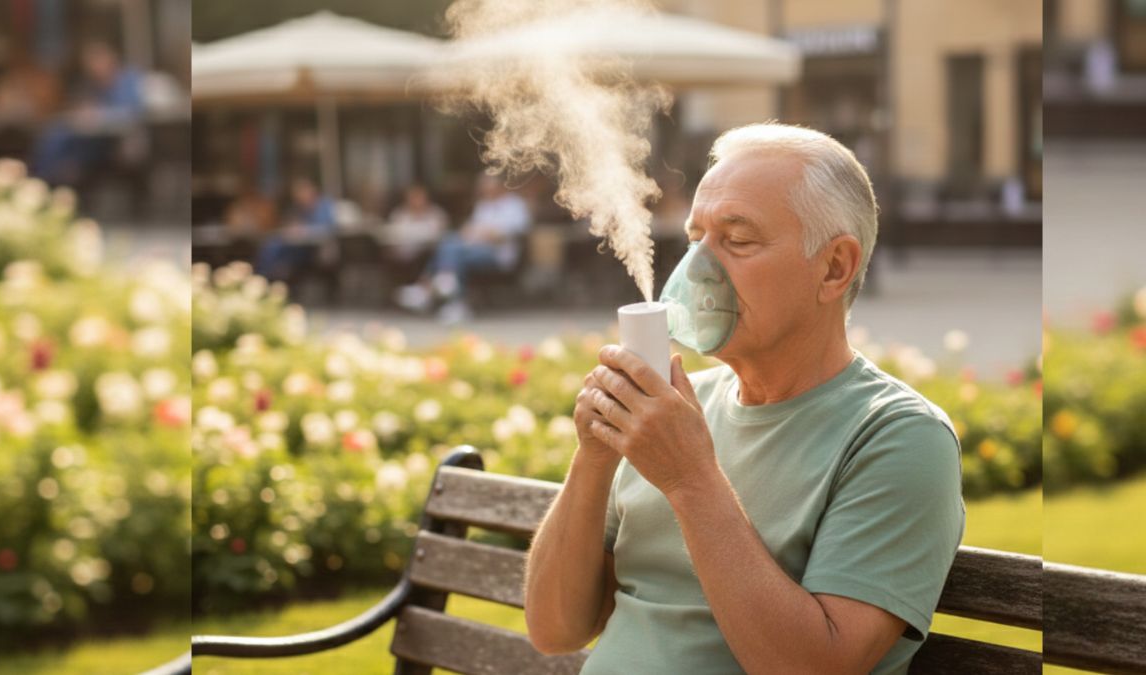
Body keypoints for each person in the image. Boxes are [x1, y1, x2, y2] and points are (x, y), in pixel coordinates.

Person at [524, 123, 965, 674]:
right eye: (695, 239)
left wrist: (690, 478)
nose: (697, 271)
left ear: (834, 268)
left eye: (737, 241)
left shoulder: (899, 437)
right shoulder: (679, 411)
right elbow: (554, 629)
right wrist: (593, 458)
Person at [395, 173, 530, 323]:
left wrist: (480, 234)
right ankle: (451, 292)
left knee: (452, 251)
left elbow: (504, 235)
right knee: (449, 242)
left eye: (487, 187)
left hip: (498, 255)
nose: (484, 191)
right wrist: (474, 234)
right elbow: (469, 229)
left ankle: (428, 289)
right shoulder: (483, 205)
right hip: (471, 249)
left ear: (499, 187)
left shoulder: (515, 206)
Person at [30, 41, 144, 186]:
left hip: (119, 142)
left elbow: (130, 114)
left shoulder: (128, 80)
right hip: (94, 138)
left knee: (63, 139)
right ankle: (42, 179)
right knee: (55, 134)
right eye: (90, 66)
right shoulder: (94, 84)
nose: (93, 70)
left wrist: (99, 115)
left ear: (110, 59)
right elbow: (85, 106)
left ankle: (44, 181)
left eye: (96, 63)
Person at [254, 177, 337, 280]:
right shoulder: (301, 208)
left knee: (276, 248)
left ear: (311, 191)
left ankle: (265, 277)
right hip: (298, 246)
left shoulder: (323, 206)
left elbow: (325, 229)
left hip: (316, 250)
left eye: (301, 194)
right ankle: (263, 277)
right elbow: (293, 223)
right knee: (271, 245)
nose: (300, 199)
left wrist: (304, 230)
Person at [385, 184, 449, 265]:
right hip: (403, 253)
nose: (416, 200)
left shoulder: (437, 214)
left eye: (419, 197)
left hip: (430, 253)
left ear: (426, 198)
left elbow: (442, 235)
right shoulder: (398, 214)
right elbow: (392, 235)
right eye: (413, 197)